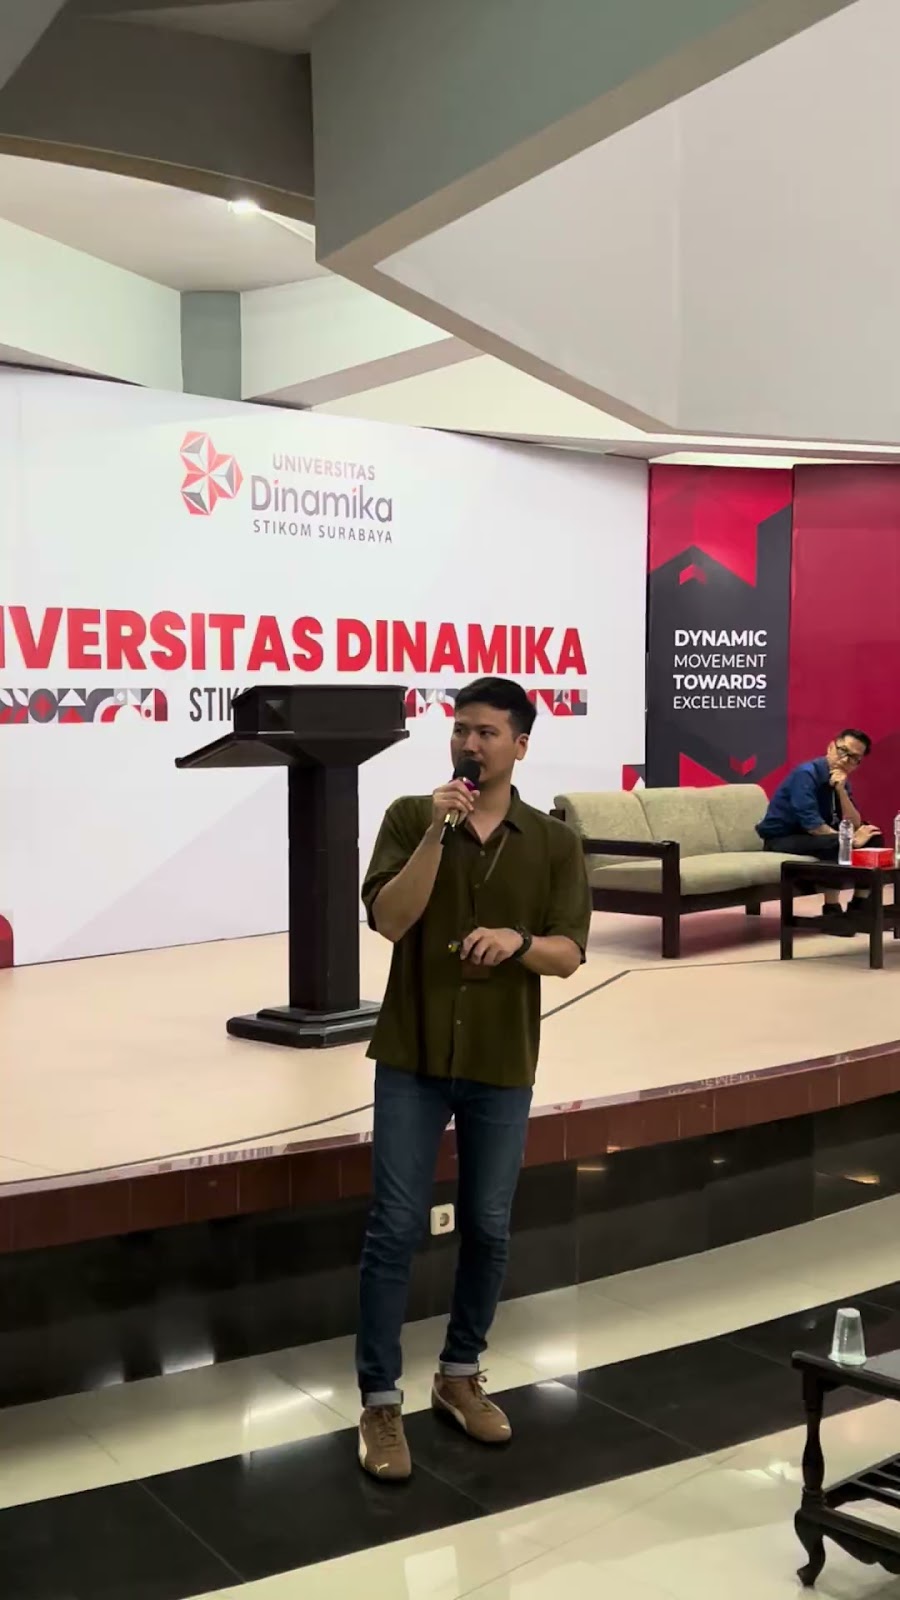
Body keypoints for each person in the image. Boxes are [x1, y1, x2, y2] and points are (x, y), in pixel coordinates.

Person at [356, 675, 591, 1481]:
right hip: (412, 1054)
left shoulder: (553, 842)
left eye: (487, 732)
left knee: (489, 1226)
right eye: (460, 729)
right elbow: (391, 920)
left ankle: (460, 1374)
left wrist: (518, 942)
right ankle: (379, 1402)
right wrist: (436, 833)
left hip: (501, 1059)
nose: (468, 743)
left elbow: (569, 952)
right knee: (394, 1226)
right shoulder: (410, 817)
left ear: (520, 744)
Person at [756, 729, 880, 932]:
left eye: (853, 758)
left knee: (873, 837)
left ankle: (859, 907)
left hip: (814, 838)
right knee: (837, 843)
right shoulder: (806, 775)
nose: (845, 760)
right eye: (843, 751)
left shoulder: (841, 779)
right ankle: (831, 910)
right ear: (830, 747)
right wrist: (850, 841)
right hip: (782, 838)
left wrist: (841, 791)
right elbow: (813, 826)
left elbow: (855, 824)